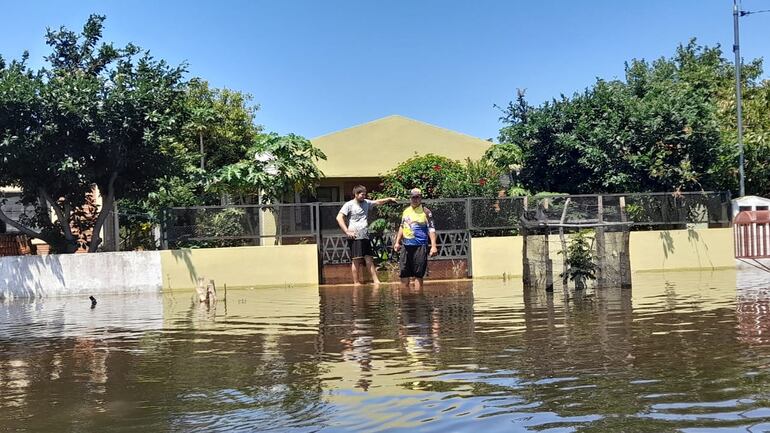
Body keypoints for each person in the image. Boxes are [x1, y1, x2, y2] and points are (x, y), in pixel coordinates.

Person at [336, 185, 397, 285]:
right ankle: (356, 282)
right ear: (355, 194)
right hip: (355, 235)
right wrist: (347, 231)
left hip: (365, 235)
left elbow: (378, 202)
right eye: (361, 194)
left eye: (364, 194)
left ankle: (376, 281)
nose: (363, 196)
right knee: (356, 260)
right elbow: (339, 217)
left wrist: (389, 199)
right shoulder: (349, 205)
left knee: (369, 258)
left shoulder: (366, 203)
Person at [393, 188, 438, 289]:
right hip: (406, 245)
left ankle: (418, 298)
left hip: (420, 246)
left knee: (418, 273)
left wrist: (433, 246)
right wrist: (397, 242)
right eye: (413, 197)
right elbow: (402, 226)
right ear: (410, 198)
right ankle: (405, 297)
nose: (415, 199)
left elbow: (431, 229)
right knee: (404, 272)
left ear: (421, 198)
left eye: (417, 197)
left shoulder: (426, 212)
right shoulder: (406, 211)